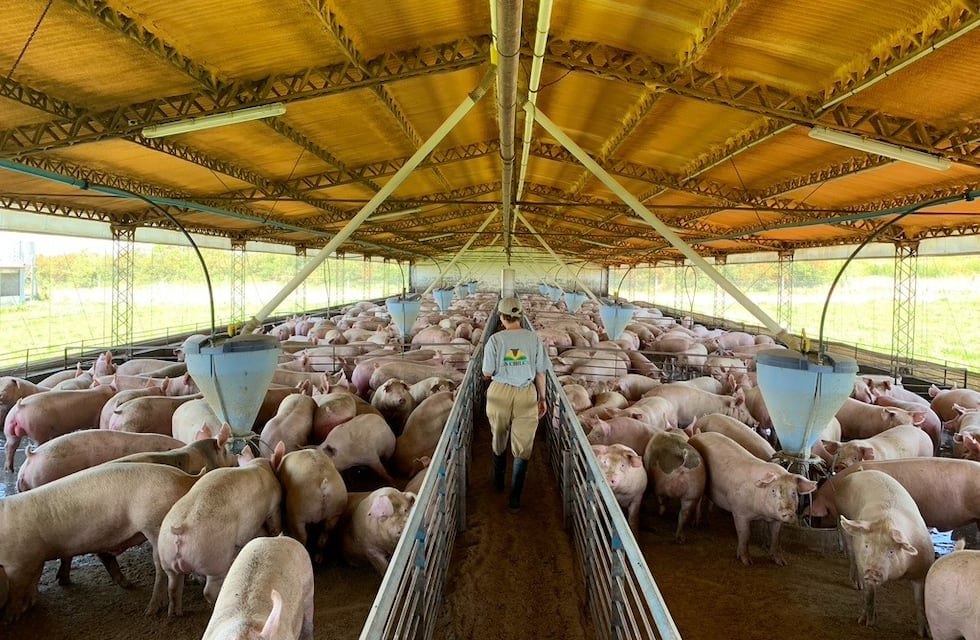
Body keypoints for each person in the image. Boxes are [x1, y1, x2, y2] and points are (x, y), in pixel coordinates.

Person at [482, 296, 549, 513]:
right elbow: (540, 372)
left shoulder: (495, 340)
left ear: (501, 317)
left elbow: (487, 372)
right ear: (520, 316)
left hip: (499, 393)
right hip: (526, 393)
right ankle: (515, 498)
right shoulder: (534, 339)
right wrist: (542, 398)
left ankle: (498, 482)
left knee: (499, 435)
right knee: (523, 445)